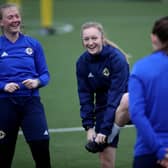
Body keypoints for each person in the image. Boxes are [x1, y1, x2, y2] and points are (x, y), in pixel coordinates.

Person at [0, 3, 51, 168]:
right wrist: (3, 86)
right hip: (5, 105)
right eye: (10, 17)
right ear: (1, 22)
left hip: (31, 103)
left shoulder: (33, 44)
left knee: (42, 152)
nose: (15, 20)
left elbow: (45, 75)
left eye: (17, 16)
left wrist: (37, 82)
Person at [76, 21, 130, 168]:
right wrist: (89, 127)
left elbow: (115, 96)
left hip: (128, 106)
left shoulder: (116, 59)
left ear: (102, 38)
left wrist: (105, 130)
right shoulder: (82, 62)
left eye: (94, 38)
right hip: (104, 107)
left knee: (127, 99)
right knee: (106, 163)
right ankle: (105, 138)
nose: (90, 42)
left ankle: (108, 136)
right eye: (86, 39)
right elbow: (85, 96)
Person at [129, 16, 168, 168]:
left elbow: (137, 114)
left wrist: (161, 151)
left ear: (153, 38)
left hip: (147, 153)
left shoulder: (140, 68)